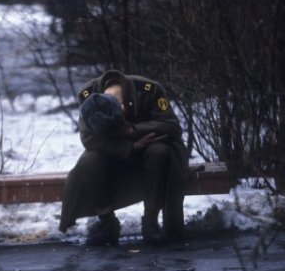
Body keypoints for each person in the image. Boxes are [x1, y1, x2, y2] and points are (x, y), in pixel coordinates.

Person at [59, 69, 190, 246]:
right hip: (114, 152)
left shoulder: (150, 90)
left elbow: (172, 127)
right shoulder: (88, 97)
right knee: (89, 162)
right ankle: (107, 223)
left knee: (160, 152)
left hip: (151, 151)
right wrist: (131, 146)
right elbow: (89, 139)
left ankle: (150, 222)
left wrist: (133, 130)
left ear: (123, 106)